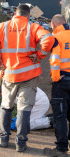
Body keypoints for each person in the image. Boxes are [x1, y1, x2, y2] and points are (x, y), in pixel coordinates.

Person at [0, 4, 54, 152]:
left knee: (6, 106)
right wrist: (40, 55)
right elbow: (49, 39)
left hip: (9, 75)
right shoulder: (33, 27)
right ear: (28, 15)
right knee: (24, 109)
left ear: (14, 14)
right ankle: (21, 143)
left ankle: (3, 139)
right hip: (29, 76)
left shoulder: (1, 27)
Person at [44, 14, 70, 157]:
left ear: (54, 25)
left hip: (62, 81)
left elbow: (55, 60)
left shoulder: (56, 38)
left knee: (60, 116)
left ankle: (61, 149)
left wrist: (55, 78)